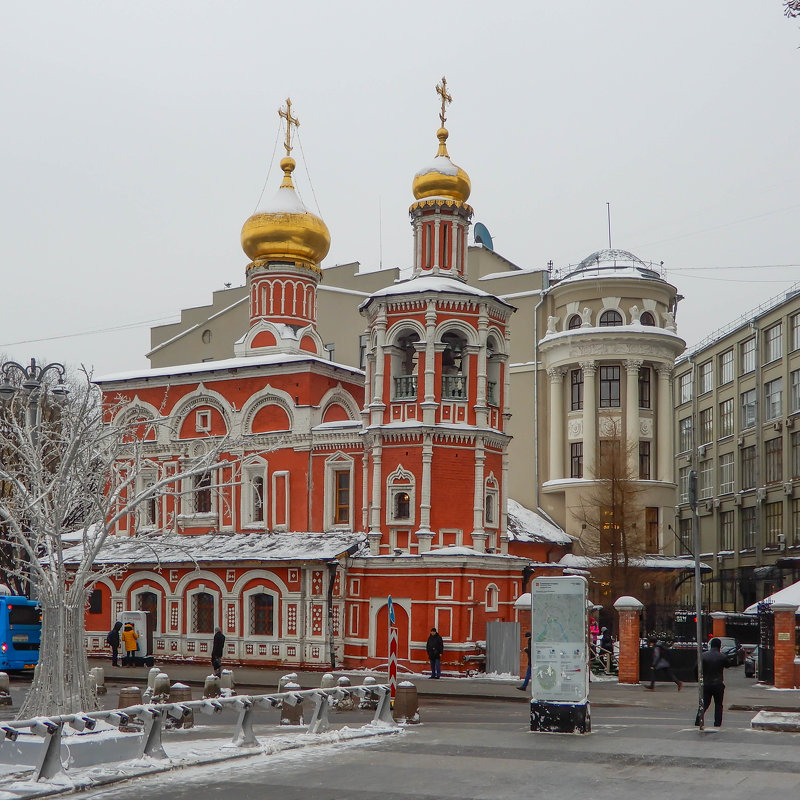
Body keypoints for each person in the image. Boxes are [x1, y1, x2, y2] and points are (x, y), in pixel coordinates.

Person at [695, 637, 728, 727]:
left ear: (711, 645)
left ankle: (698, 721)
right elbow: (728, 664)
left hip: (706, 683)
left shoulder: (704, 656)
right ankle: (717, 724)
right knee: (718, 705)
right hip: (718, 684)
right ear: (719, 646)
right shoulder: (722, 656)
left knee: (704, 704)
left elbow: (696, 668)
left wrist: (698, 680)